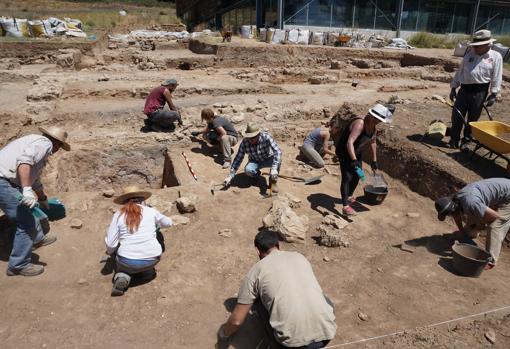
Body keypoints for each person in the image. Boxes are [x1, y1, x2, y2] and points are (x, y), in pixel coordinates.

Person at [217, 230, 337, 348]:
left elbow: (236, 321)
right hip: (327, 335)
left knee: (257, 302)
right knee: (323, 299)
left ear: (257, 250)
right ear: (278, 245)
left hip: (292, 345)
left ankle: (270, 343)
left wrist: (223, 334)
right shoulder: (299, 257)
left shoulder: (256, 272)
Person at [0, 126, 70, 276]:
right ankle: (18, 265)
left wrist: (42, 198)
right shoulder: (44, 143)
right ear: (57, 143)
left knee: (31, 209)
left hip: (7, 181)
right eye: (60, 146)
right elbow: (24, 163)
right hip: (3, 182)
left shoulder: (37, 144)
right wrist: (26, 190)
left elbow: (34, 178)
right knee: (25, 222)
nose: (58, 149)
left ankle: (37, 239)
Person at [105, 185, 173, 296]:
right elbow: (169, 223)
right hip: (153, 258)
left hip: (127, 261)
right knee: (147, 259)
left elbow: (111, 244)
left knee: (120, 257)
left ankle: (123, 276)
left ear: (124, 202)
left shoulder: (118, 215)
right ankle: (147, 271)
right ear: (141, 200)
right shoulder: (151, 211)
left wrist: (111, 253)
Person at [435, 178, 510, 269]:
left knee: (494, 227)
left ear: (454, 207)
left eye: (450, 213)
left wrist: (481, 225)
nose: (452, 215)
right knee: (476, 214)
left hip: (508, 196)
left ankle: (491, 261)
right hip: (502, 189)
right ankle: (470, 234)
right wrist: (462, 231)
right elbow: (456, 214)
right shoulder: (456, 199)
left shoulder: (470, 202)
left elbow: (495, 216)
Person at [335, 104, 393, 216]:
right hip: (345, 152)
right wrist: (353, 160)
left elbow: (373, 142)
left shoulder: (373, 127)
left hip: (356, 152)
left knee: (359, 175)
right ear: (371, 115)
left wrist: (374, 160)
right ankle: (345, 207)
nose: (378, 121)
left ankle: (349, 196)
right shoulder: (360, 123)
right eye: (376, 119)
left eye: (380, 120)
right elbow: (349, 142)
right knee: (347, 177)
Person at [448, 30, 502, 149]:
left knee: (473, 119)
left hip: (480, 92)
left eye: (478, 46)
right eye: (475, 46)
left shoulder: (495, 57)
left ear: (488, 45)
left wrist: (494, 94)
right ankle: (454, 138)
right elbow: (460, 71)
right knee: (456, 116)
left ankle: (466, 141)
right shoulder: (469, 54)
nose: (476, 48)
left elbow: (497, 76)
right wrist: (453, 87)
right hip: (464, 90)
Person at [224, 123, 282, 193]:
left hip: (268, 158)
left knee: (278, 161)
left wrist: (274, 168)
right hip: (255, 161)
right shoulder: (245, 142)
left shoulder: (266, 137)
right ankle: (256, 176)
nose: (250, 140)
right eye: (249, 137)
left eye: (253, 137)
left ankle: (272, 182)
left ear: (258, 134)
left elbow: (277, 151)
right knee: (248, 170)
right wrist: (231, 175)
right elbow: (238, 158)